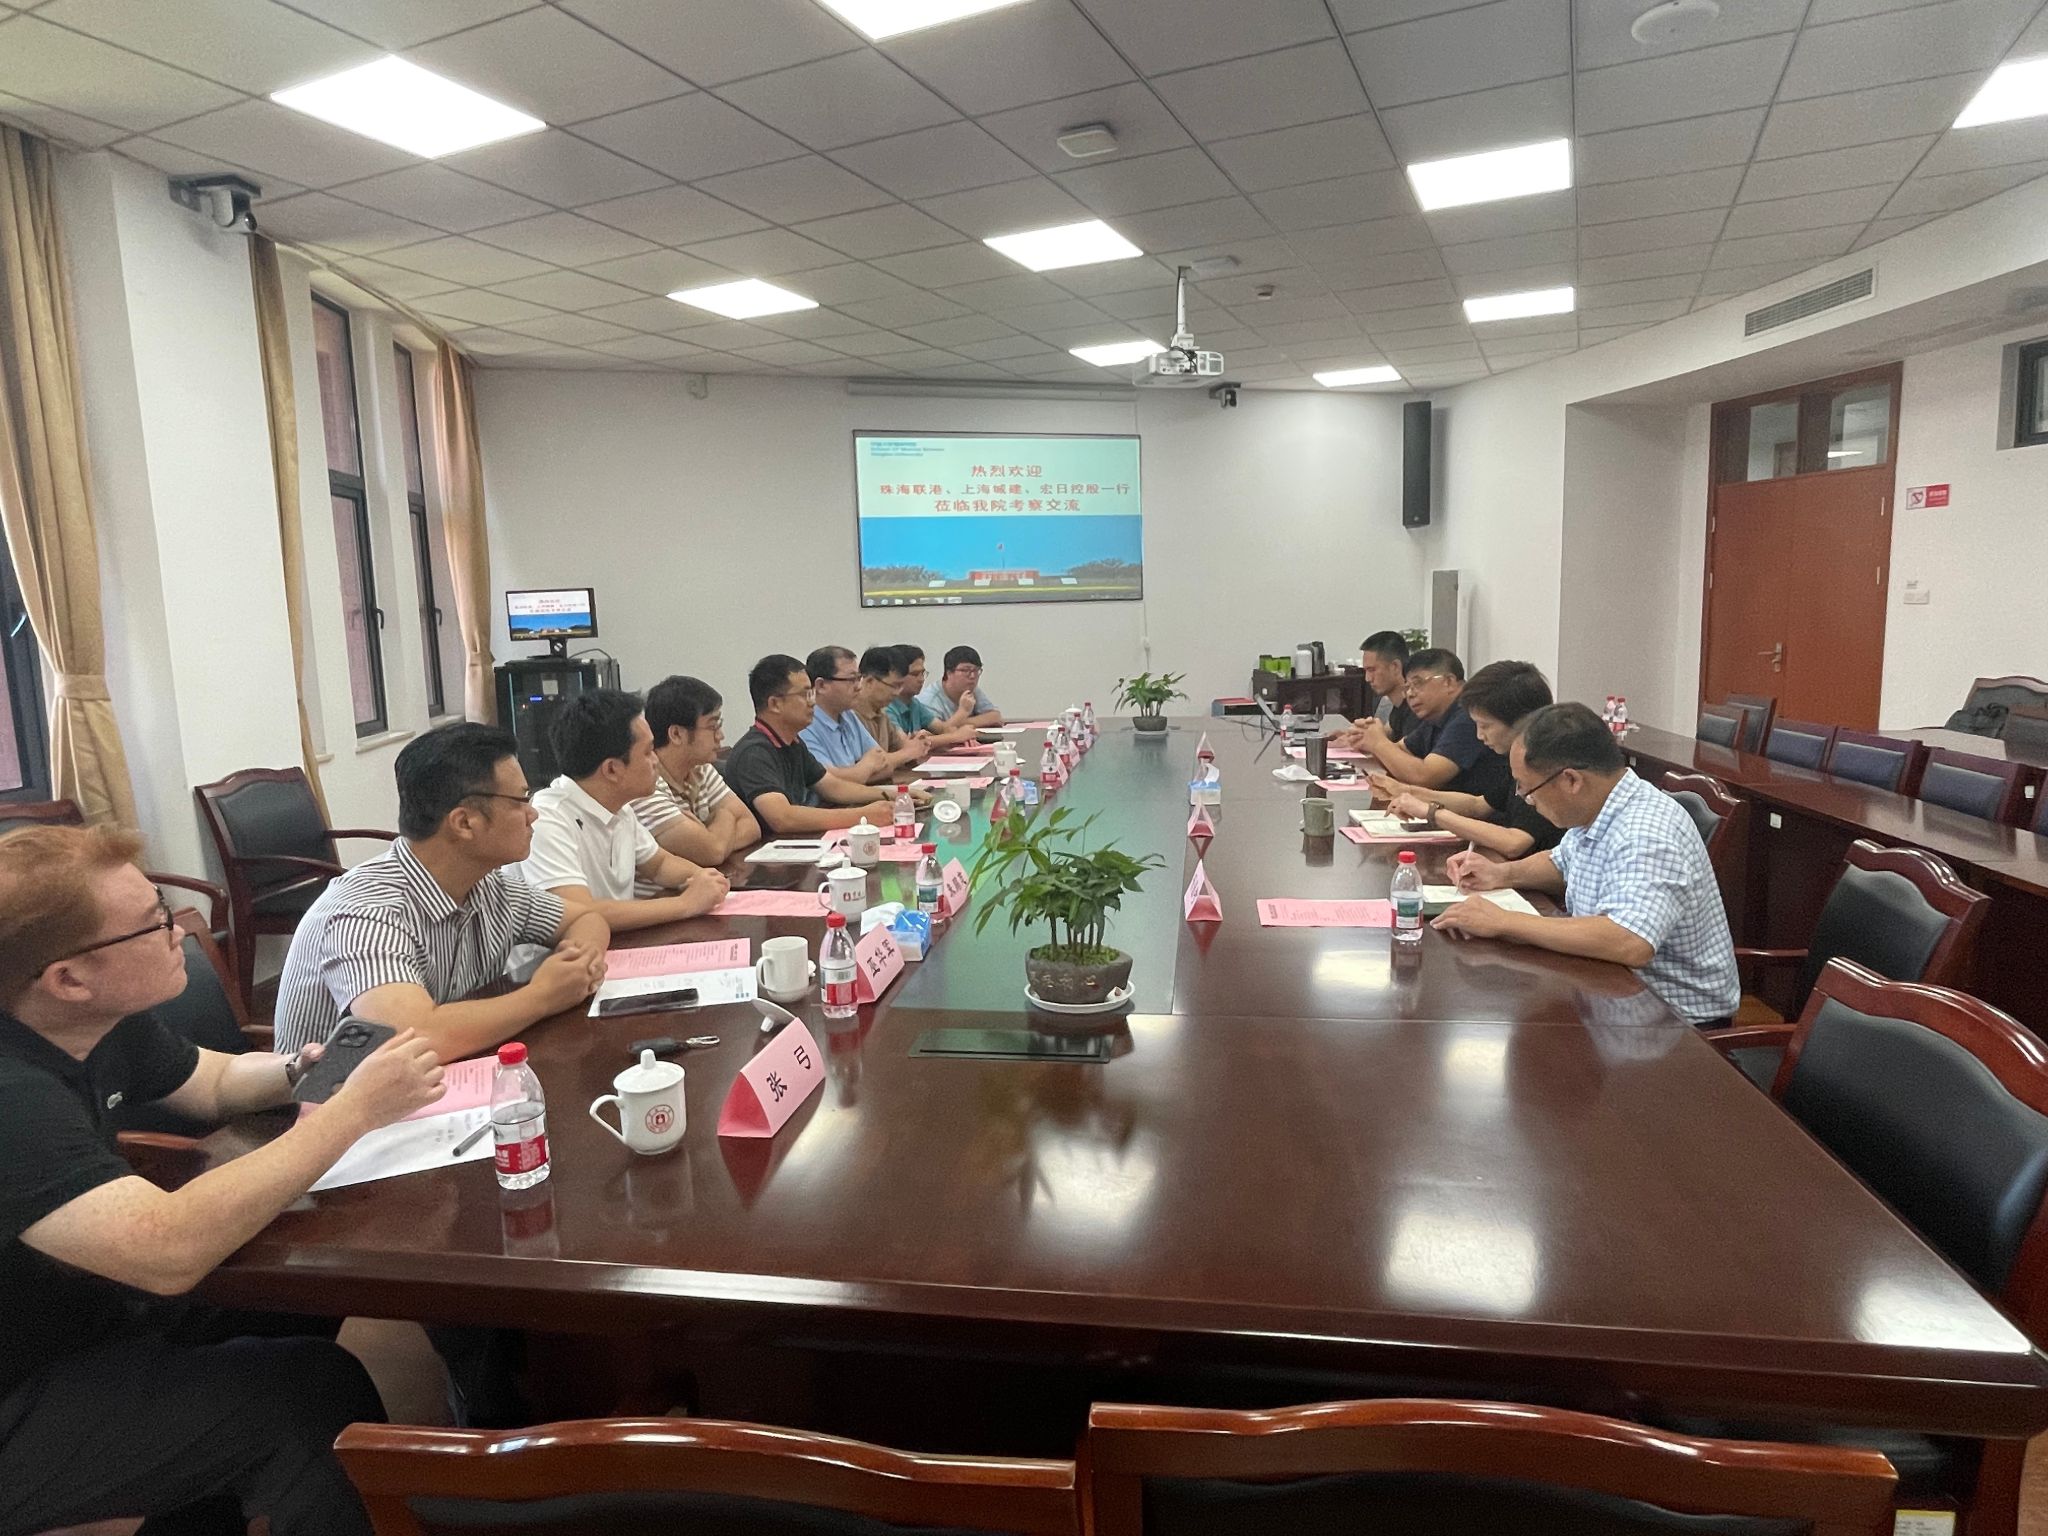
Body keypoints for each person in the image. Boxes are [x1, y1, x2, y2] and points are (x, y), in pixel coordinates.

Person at [0, 824, 446, 1536]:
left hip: (91, 1307)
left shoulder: (94, 1018)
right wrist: (353, 1110)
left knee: (304, 1294)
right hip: (22, 1389)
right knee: (305, 1396)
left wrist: (302, 1071)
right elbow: (165, 1249)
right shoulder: (13, 1094)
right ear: (69, 979)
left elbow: (210, 1083)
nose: (179, 929)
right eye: (153, 922)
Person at [275, 722, 610, 1057]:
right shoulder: (367, 911)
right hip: (338, 1089)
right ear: (464, 823)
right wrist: (543, 995)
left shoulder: (489, 885)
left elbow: (585, 919)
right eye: (520, 800)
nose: (532, 813)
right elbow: (413, 1037)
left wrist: (578, 963)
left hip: (446, 1073)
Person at [1434, 702, 1741, 1026]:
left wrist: (1504, 922)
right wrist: (1501, 873)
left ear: (1571, 780)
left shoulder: (1647, 832)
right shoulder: (1600, 807)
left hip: (1674, 1023)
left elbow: (1629, 940)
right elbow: (1561, 862)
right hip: (1611, 991)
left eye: (1528, 788)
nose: (1525, 798)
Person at [520, 689, 730, 932]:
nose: (656, 761)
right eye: (648, 752)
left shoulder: (620, 808)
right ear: (612, 769)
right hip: (560, 954)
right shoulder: (547, 818)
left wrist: (705, 879)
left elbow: (660, 864)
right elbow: (578, 911)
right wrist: (686, 904)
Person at [1385, 661, 1563, 860]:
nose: (1479, 735)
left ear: (1522, 722)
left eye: (1485, 726)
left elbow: (1514, 843)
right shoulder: (1513, 758)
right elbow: (1477, 805)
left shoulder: (1544, 765)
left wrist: (1432, 813)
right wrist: (1409, 792)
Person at [723, 654, 907, 834]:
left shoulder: (793, 743)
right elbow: (783, 818)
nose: (812, 702)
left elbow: (833, 787)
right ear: (775, 704)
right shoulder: (754, 752)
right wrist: (862, 816)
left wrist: (898, 794)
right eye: (805, 694)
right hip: (770, 849)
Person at [632, 674, 761, 877]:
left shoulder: (701, 768)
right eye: (712, 726)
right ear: (676, 734)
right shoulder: (646, 787)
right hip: (667, 893)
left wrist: (710, 835)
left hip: (701, 885)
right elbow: (713, 852)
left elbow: (751, 826)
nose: (721, 735)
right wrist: (725, 815)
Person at [1349, 648, 1505, 799]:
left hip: (1473, 813)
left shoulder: (1468, 715)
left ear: (1449, 682)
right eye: (1407, 687)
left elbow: (1425, 777)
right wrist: (1365, 738)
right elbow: (1400, 750)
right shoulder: (1436, 715)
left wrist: (1378, 743)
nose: (1410, 694)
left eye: (1418, 684)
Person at [800, 645, 926, 782]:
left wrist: (861, 769)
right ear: (821, 685)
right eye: (851, 680)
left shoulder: (847, 715)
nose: (859, 686)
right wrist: (866, 767)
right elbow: (830, 782)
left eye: (858, 678)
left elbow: (882, 763)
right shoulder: (805, 725)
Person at [851, 646, 936, 778]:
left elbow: (903, 749)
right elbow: (868, 771)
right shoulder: (849, 716)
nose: (897, 693)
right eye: (894, 686)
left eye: (900, 686)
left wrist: (918, 743)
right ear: (869, 681)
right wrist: (908, 753)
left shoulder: (881, 713)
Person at [888, 644, 976, 749]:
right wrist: (955, 736)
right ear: (896, 676)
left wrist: (963, 723)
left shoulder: (914, 704)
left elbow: (942, 729)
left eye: (922, 673)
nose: (921, 679)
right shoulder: (887, 707)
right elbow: (904, 745)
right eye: (915, 674)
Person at [917, 644, 1003, 730]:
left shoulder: (970, 689)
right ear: (949, 672)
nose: (973, 676)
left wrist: (959, 723)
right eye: (966, 670)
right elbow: (939, 732)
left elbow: (995, 717)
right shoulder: (929, 700)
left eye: (976, 670)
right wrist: (963, 712)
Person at [1353, 630, 1415, 740]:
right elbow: (1389, 732)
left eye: (1372, 670)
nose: (1367, 679)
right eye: (1366, 671)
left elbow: (1404, 749)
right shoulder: (1398, 706)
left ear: (1395, 667)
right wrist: (1350, 736)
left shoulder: (1416, 710)